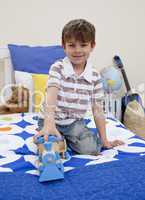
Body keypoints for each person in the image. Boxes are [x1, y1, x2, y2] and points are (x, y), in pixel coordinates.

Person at [35, 19, 124, 155]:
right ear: (64, 46)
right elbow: (51, 96)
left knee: (92, 149)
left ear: (92, 46)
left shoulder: (94, 76)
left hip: (73, 123)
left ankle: (70, 138)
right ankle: (52, 136)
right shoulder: (57, 68)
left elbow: (97, 109)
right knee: (49, 150)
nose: (77, 50)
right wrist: (48, 123)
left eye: (83, 45)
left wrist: (104, 140)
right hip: (50, 119)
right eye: (72, 45)